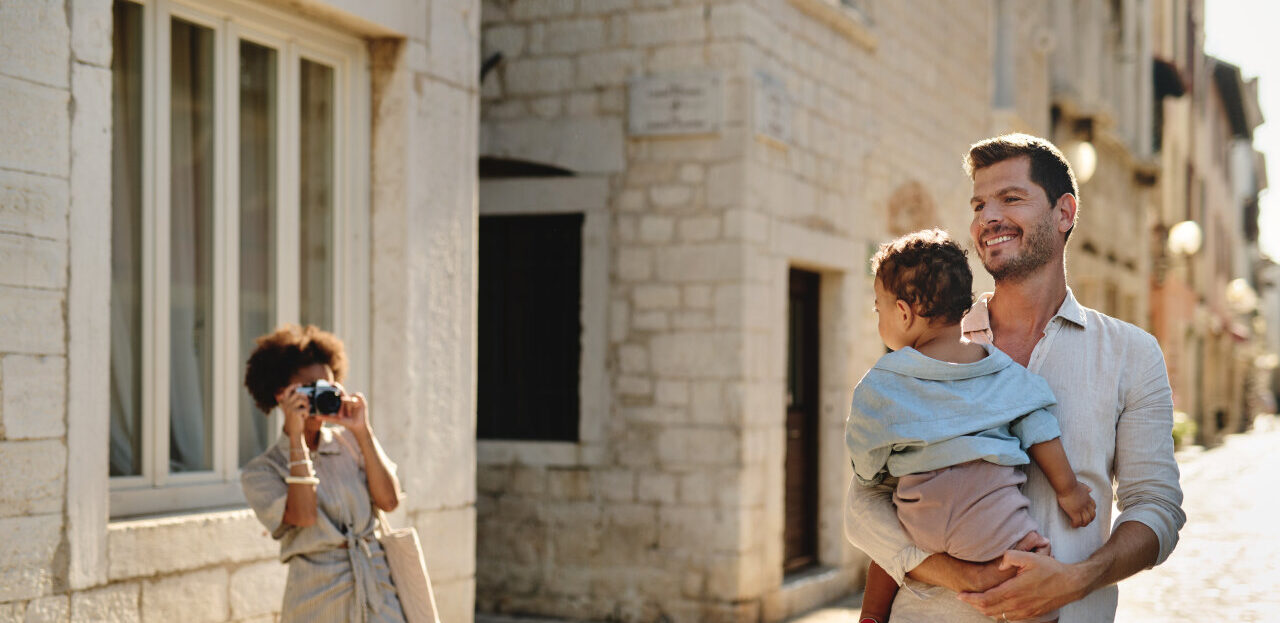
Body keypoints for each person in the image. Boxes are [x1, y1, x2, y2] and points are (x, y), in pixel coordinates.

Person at [844, 134, 1185, 622]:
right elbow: (871, 499)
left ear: (1064, 213)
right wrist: (948, 576)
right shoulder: (928, 338)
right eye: (979, 203)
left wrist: (1076, 580)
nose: (988, 218)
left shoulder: (1131, 353)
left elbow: (1157, 508)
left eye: (1011, 198)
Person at [850, 229, 1096, 623]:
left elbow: (864, 455)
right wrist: (1069, 491)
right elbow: (1039, 427)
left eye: (878, 310)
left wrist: (874, 465)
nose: (880, 318)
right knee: (1033, 598)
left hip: (919, 524)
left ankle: (871, 616)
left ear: (903, 312)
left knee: (890, 540)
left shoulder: (884, 381)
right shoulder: (999, 370)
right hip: (993, 529)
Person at [241, 324, 406, 623]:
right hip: (317, 599)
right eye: (311, 389)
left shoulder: (353, 445)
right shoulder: (262, 471)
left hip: (377, 589)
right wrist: (295, 440)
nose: (321, 397)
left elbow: (390, 501)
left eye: (327, 388)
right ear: (281, 394)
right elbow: (304, 517)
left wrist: (362, 430)